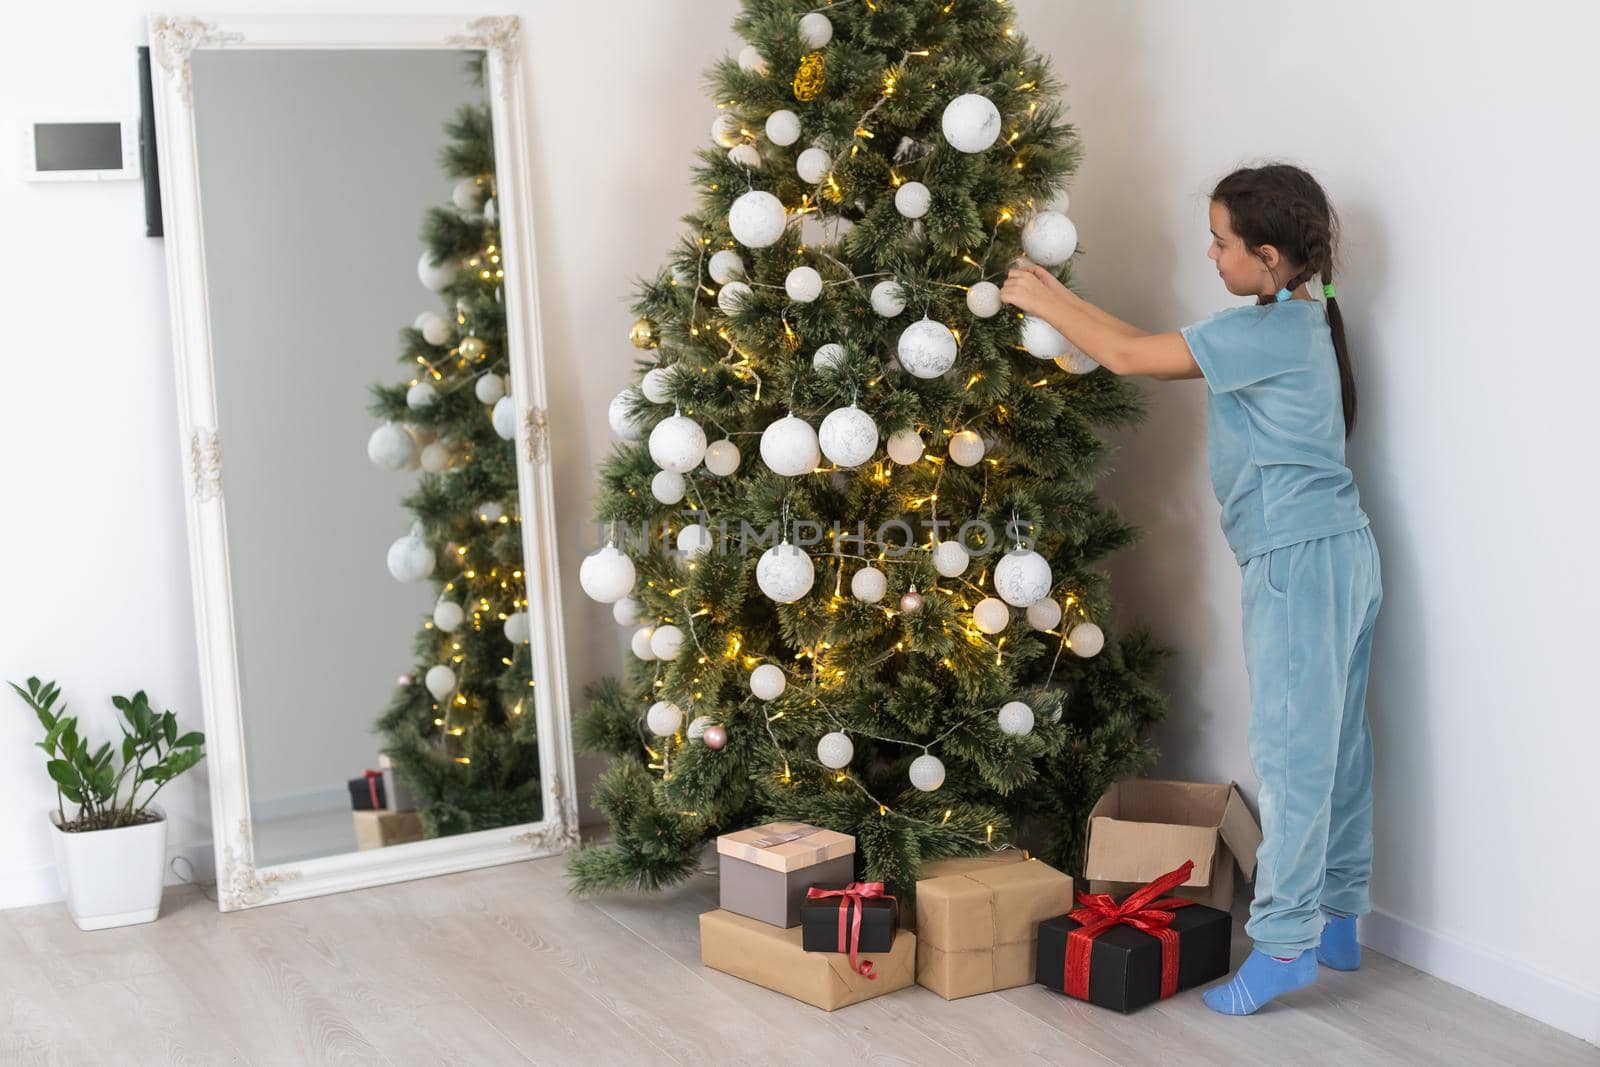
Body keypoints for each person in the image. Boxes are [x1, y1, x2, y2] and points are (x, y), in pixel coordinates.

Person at [1000, 162, 1383, 1016]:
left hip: (1296, 565)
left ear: (1270, 257)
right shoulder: (1297, 317)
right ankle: (1338, 916)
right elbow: (1148, 338)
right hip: (1342, 553)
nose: (1210, 254)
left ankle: (1285, 942)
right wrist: (1059, 295)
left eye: (1221, 242)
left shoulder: (1270, 332)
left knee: (1293, 755)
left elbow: (1135, 356)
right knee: (1338, 748)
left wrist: (1039, 300)